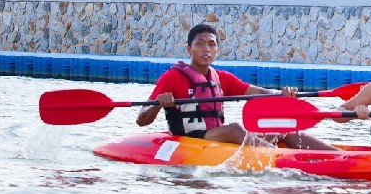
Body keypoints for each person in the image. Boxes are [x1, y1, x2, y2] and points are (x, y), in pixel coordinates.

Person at [137, 23, 337, 150]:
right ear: (189, 48)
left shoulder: (221, 77)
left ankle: (339, 156)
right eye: (200, 44)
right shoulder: (172, 77)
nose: (206, 49)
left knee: (283, 129)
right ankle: (279, 157)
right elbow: (141, 119)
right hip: (191, 138)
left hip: (216, 135)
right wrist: (157, 104)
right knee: (234, 129)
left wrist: (282, 94)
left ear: (217, 49)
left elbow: (260, 93)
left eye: (212, 44)